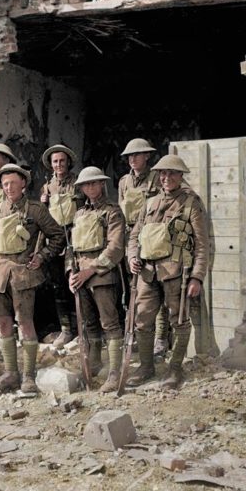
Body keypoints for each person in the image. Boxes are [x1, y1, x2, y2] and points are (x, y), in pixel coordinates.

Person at [0, 163, 66, 393]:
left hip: (23, 275)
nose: (9, 188)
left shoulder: (35, 210)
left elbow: (57, 237)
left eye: (13, 183)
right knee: (3, 323)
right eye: (5, 184)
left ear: (23, 183)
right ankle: (10, 374)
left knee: (25, 323)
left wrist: (42, 257)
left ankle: (28, 375)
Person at [126, 154, 209, 389]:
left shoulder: (191, 203)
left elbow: (202, 244)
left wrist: (197, 276)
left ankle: (174, 369)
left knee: (180, 320)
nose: (166, 177)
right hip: (147, 272)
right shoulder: (150, 203)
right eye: (163, 173)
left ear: (180, 176)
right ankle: (146, 367)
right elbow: (134, 235)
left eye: (172, 173)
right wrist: (132, 256)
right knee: (142, 321)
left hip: (176, 273)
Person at [67, 166, 126, 393]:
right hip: (80, 276)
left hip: (102, 275)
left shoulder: (112, 211)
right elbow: (71, 248)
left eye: (94, 183)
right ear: (81, 188)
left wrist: (90, 270)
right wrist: (71, 272)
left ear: (102, 184)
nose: (90, 187)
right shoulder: (79, 214)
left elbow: (116, 247)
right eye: (86, 184)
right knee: (88, 323)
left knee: (109, 324)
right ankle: (93, 364)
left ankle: (114, 372)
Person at [117, 138, 171, 359]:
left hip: (153, 237)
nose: (133, 159)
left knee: (157, 286)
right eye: (130, 156)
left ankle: (160, 337)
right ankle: (135, 335)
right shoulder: (123, 182)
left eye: (137, 155)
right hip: (130, 237)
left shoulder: (157, 179)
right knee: (132, 288)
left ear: (147, 156)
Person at [39, 144, 82, 348]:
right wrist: (43, 202)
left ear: (68, 162)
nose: (58, 165)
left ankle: (82, 328)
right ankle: (66, 329)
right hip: (55, 240)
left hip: (75, 237)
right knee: (58, 286)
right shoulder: (47, 187)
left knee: (76, 282)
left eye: (62, 161)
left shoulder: (79, 183)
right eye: (55, 161)